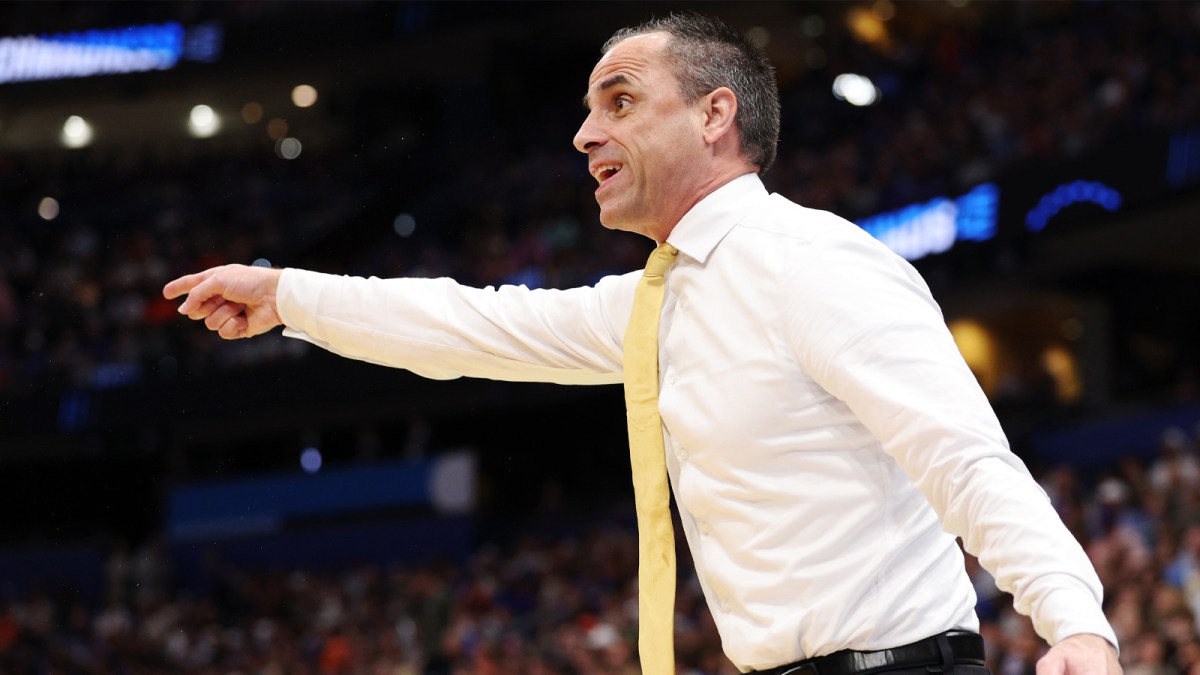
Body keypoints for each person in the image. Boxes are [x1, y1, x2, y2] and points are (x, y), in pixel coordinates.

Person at [164, 13, 1121, 675]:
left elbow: (965, 457)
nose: (584, 134)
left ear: (715, 115)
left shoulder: (814, 262)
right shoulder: (659, 302)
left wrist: (1076, 625)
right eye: (587, 109)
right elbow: (470, 326)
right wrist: (289, 295)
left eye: (618, 103)